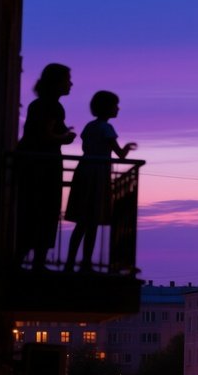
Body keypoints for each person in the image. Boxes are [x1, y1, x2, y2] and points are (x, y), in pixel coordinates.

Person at [64, 90, 137, 272]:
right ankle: (86, 263)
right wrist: (128, 148)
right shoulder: (107, 128)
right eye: (115, 105)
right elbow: (120, 154)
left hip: (84, 171)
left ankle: (70, 262)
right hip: (98, 174)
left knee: (82, 222)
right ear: (107, 108)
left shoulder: (90, 126)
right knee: (93, 221)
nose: (118, 109)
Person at [16, 64, 76, 271]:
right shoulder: (52, 106)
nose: (71, 84)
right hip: (43, 165)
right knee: (44, 210)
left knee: (32, 210)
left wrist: (63, 135)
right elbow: (46, 135)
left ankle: (23, 259)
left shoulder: (38, 104)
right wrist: (65, 137)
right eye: (67, 80)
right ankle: (36, 262)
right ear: (56, 83)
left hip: (32, 162)